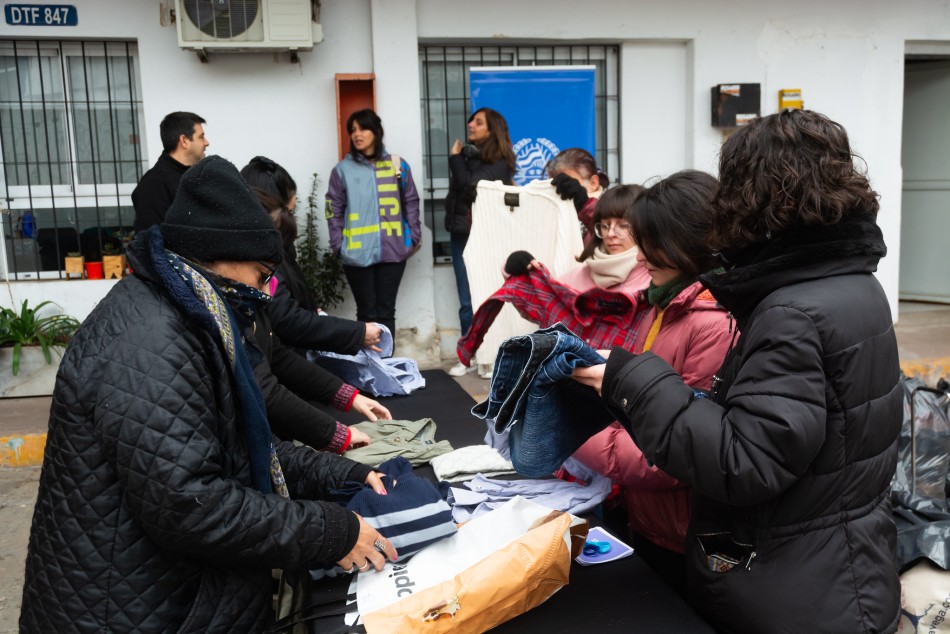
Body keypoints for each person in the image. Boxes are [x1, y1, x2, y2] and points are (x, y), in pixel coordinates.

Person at [20, 155, 398, 633]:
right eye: (262, 276)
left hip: (159, 593)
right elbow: (189, 502)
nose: (264, 292)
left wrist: (340, 473)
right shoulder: (154, 340)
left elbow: (238, 446)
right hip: (130, 607)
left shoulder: (190, 311)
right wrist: (327, 532)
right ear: (221, 256)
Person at [573, 110, 902, 632]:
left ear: (753, 195)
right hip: (841, 570)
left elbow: (745, 461)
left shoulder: (791, 310)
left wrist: (632, 378)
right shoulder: (853, 283)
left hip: (798, 592)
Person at [568, 171, 732, 597]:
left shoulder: (713, 325)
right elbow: (638, 405)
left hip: (683, 535)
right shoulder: (664, 303)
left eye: (651, 244)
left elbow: (672, 453)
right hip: (648, 520)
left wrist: (569, 431)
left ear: (690, 242)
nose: (641, 258)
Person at [240, 156, 382, 356]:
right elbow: (286, 320)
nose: (292, 220)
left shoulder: (278, 249)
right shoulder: (257, 257)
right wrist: (357, 333)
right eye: (289, 212)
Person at [326, 109, 421, 344]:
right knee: (366, 314)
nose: (357, 134)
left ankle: (388, 368)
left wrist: (413, 237)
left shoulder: (398, 165)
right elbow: (333, 209)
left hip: (394, 251)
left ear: (377, 132)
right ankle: (369, 372)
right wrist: (339, 245)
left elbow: (411, 200)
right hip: (356, 254)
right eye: (353, 130)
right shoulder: (342, 170)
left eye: (363, 128)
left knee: (386, 312)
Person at [444, 107, 516, 375]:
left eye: (478, 122)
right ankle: (469, 356)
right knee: (466, 298)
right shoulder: (467, 157)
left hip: (486, 236)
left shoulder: (499, 163)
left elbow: (469, 185)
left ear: (492, 129)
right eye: (471, 121)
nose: (470, 125)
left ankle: (489, 355)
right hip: (460, 235)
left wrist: (454, 159)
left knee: (486, 295)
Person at [504, 184, 651, 296]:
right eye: (605, 225)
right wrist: (514, 270)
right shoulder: (573, 278)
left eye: (623, 225)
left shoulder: (655, 280)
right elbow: (544, 307)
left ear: (643, 227)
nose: (610, 233)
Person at [132, 111, 208, 231]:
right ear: (184, 141)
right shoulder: (154, 184)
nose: (206, 142)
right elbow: (153, 242)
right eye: (201, 137)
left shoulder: (199, 176)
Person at [545, 147, 609, 245]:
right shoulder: (549, 210)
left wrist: (585, 205)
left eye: (569, 184)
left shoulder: (616, 208)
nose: (561, 190)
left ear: (593, 183)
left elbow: (608, 235)